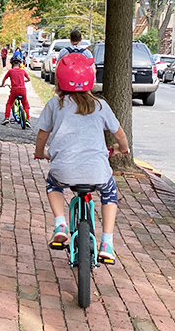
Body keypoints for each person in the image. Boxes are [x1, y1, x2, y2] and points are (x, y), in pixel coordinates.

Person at [33, 53, 130, 264]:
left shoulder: (54, 105)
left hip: (63, 171)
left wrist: (40, 153)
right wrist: (122, 148)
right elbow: (120, 135)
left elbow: (42, 135)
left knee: (53, 184)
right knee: (109, 192)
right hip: (98, 172)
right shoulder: (101, 105)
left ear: (59, 80)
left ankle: (60, 224)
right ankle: (107, 242)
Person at [0, 57, 31, 126]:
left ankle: (6, 118)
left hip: (14, 90)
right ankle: (27, 120)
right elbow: (29, 78)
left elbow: (4, 78)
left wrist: (2, 85)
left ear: (12, 64)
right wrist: (25, 80)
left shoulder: (10, 71)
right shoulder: (22, 71)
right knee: (25, 104)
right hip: (23, 90)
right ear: (20, 64)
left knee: (9, 103)